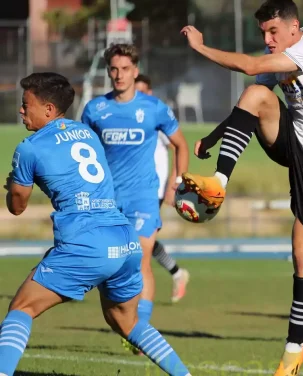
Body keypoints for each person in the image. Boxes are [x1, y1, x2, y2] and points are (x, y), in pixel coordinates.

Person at [179, 0, 303, 374]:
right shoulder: (282, 53)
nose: (268, 39)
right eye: (263, 34)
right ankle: (219, 183)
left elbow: (251, 65)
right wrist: (212, 137)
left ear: (294, 27)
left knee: (302, 250)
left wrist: (201, 47)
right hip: (291, 139)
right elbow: (250, 102)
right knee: (258, 94)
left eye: (274, 32)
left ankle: (294, 350)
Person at [0, 72, 190, 375]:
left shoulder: (29, 148)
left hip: (85, 243)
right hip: (124, 239)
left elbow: (17, 207)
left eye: (26, 104)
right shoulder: (86, 134)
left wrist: (13, 187)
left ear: (48, 109)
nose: (21, 110)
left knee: (21, 308)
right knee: (126, 322)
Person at [81, 44, 189, 355]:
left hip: (143, 196)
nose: (119, 75)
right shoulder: (95, 110)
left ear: (135, 71)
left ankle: (141, 331)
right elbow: (83, 153)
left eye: (125, 69)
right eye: (113, 69)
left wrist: (177, 182)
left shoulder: (153, 108)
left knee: (142, 258)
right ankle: (126, 321)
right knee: (115, 265)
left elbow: (181, 145)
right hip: (106, 200)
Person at [135, 74, 191, 304]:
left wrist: (174, 185)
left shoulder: (156, 117)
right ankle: (178, 273)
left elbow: (179, 147)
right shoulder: (127, 117)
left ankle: (138, 301)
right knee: (138, 239)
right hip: (130, 190)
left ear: (150, 92)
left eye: (143, 91)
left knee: (141, 241)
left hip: (154, 190)